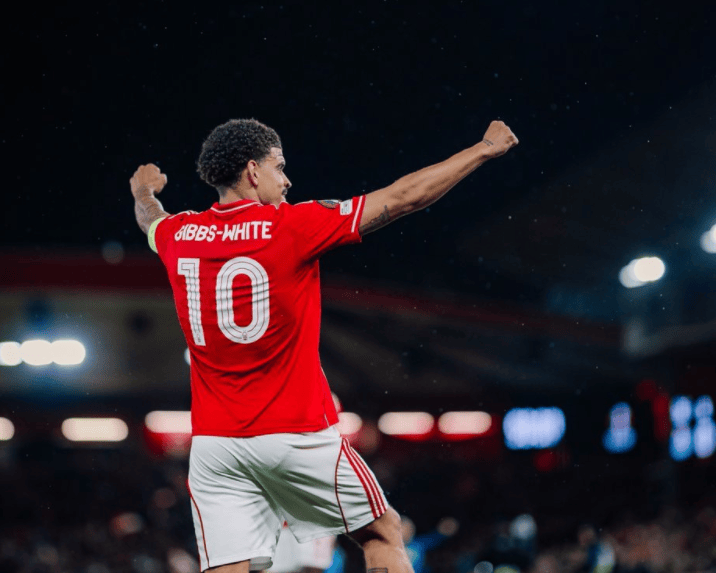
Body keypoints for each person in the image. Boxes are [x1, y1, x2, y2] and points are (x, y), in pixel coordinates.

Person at [129, 118, 518, 573]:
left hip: (216, 446)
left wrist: (143, 191)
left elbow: (150, 219)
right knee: (382, 533)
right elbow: (403, 196)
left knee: (227, 567)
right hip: (294, 432)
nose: (287, 180)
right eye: (279, 167)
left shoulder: (179, 235)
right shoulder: (293, 225)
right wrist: (482, 150)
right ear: (253, 171)